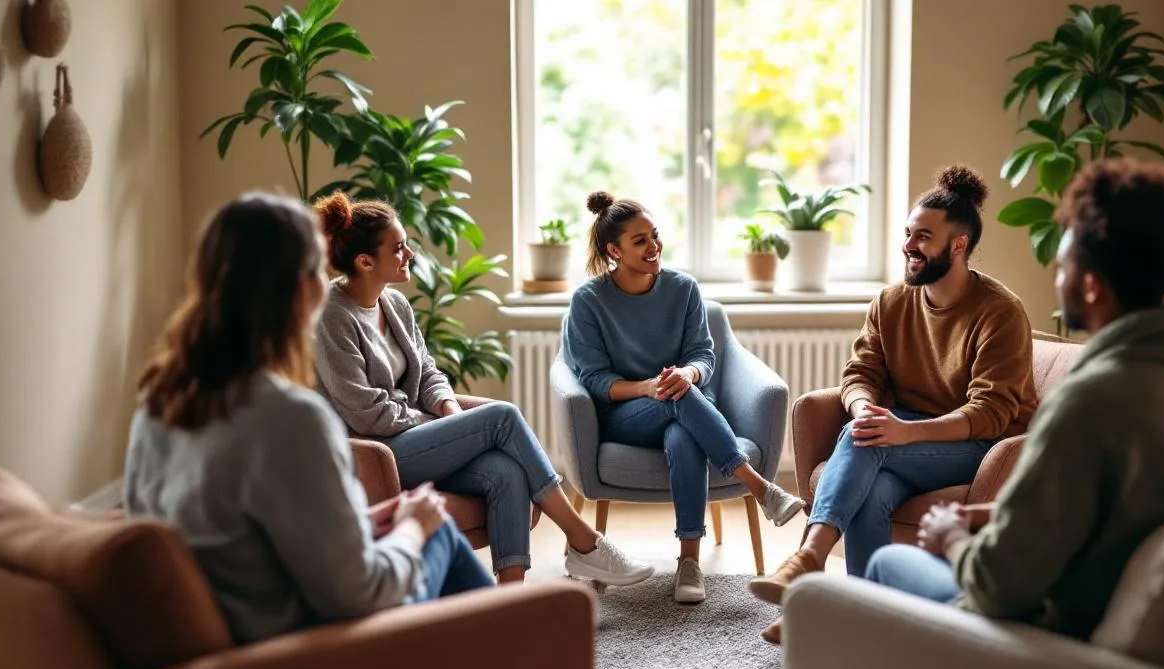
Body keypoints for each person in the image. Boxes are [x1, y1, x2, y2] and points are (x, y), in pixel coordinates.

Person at [866, 158, 1164, 640]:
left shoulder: (1087, 404)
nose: (1058, 278)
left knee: (887, 564)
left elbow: (995, 587)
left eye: (1064, 264)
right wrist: (987, 516)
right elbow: (1117, 516)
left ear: (1090, 286)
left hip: (1058, 642)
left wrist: (950, 540)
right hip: (1148, 627)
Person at [124, 192, 495, 644]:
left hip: (236, 632)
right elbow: (359, 593)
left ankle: (485, 667)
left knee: (417, 529)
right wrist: (414, 527)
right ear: (301, 290)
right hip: (302, 655)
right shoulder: (291, 418)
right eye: (318, 270)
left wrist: (368, 522)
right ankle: (512, 663)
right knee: (438, 537)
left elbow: (244, 537)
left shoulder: (160, 401)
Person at [748, 165, 1038, 644]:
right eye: (907, 233)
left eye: (923, 237)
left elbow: (991, 413)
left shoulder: (999, 312)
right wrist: (862, 407)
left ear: (959, 245)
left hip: (980, 446)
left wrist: (905, 432)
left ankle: (809, 563)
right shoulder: (890, 302)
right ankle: (865, 619)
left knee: (867, 442)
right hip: (909, 441)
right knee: (873, 487)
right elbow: (860, 375)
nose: (908, 245)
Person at [310, 191, 653, 588]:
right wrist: (430, 422)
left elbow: (427, 372)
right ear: (365, 261)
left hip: (415, 438)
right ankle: (584, 542)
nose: (410, 255)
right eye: (399, 248)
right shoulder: (332, 316)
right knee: (502, 416)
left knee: (505, 472)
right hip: (376, 451)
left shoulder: (395, 305)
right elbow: (364, 412)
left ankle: (509, 604)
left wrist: (451, 412)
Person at [560, 190, 807, 604]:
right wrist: (647, 387)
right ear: (613, 251)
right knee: (678, 396)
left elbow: (703, 354)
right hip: (624, 413)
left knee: (682, 431)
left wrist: (689, 374)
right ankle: (761, 488)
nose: (653, 246)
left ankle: (688, 563)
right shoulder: (588, 302)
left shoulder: (684, 289)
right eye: (640, 241)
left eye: (654, 235)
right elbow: (595, 379)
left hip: (686, 405)